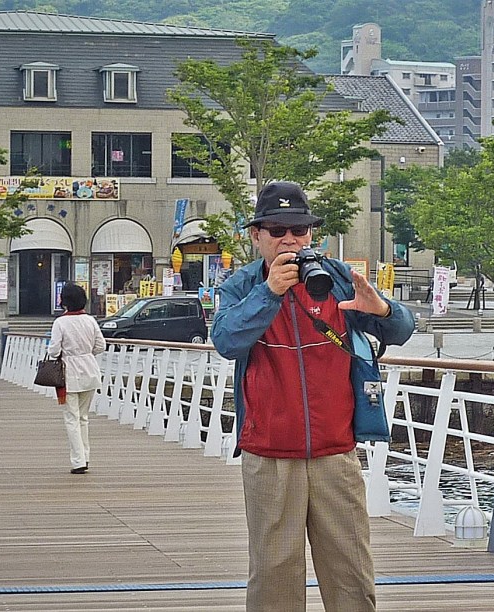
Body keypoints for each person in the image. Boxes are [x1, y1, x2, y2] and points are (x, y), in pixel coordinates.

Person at [211, 181, 415, 612]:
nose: (290, 239)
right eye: (277, 230)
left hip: (335, 451)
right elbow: (227, 340)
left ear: (312, 234)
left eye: (299, 230)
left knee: (351, 573)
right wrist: (270, 292)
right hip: (269, 453)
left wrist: (382, 310)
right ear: (256, 235)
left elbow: (401, 329)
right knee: (274, 575)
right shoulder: (241, 286)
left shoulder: (338, 279)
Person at [46, 284, 106, 474]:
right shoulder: (90, 320)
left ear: (64, 301)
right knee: (83, 417)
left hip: (69, 372)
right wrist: (86, 353)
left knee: (71, 418)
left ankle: (78, 460)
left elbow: (54, 350)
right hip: (90, 369)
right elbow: (100, 345)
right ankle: (85, 457)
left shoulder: (60, 323)